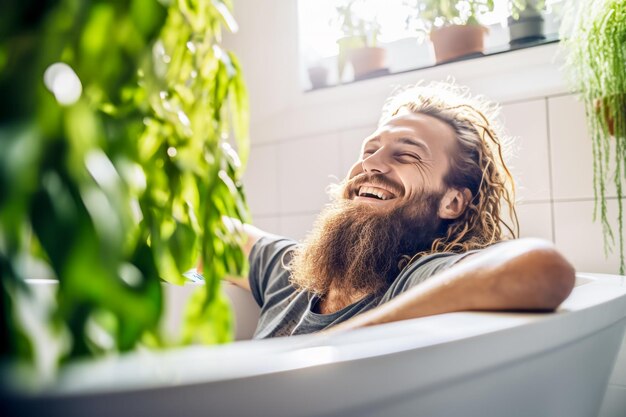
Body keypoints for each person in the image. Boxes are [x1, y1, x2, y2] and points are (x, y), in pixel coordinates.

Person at [223, 81, 575, 339]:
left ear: (452, 202)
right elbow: (196, 241)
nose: (372, 164)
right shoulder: (290, 272)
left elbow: (544, 269)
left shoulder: (416, 280)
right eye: (368, 151)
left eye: (406, 155)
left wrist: (341, 339)